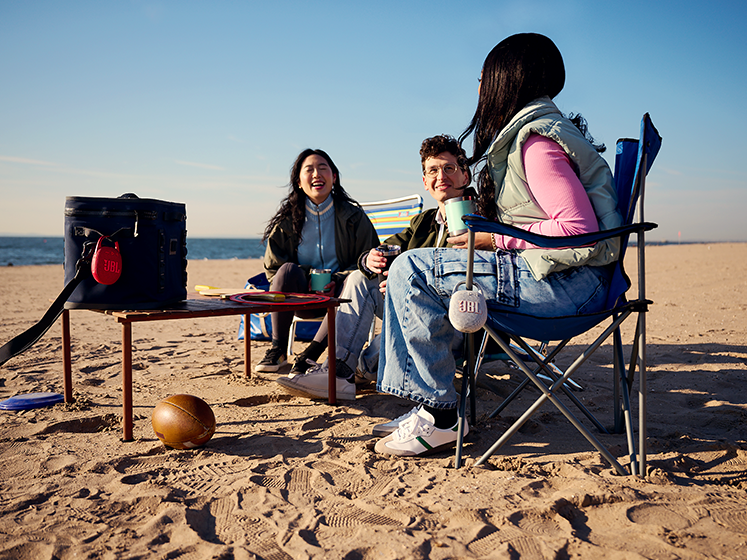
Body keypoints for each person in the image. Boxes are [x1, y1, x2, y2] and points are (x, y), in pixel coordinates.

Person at [373, 33, 622, 457]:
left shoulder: (536, 143)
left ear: (508, 80)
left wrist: (491, 238)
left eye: (484, 79)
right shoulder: (537, 133)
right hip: (571, 279)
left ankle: (440, 415)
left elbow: (578, 230)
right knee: (416, 265)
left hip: (568, 287)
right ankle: (427, 405)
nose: (478, 90)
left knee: (411, 269)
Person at [275, 135, 475, 401]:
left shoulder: (479, 218)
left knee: (380, 352)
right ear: (425, 182)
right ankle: (338, 375)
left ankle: (347, 369)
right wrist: (369, 259)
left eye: (449, 168)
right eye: (433, 170)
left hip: (456, 324)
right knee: (358, 279)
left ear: (464, 175)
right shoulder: (423, 222)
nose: (441, 176)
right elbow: (380, 250)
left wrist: (407, 280)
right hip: (413, 312)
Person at [255, 149, 379, 375]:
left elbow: (370, 262)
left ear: (334, 177)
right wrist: (307, 277)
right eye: (309, 169)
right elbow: (273, 269)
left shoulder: (354, 217)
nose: (316, 174)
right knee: (286, 270)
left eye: (323, 168)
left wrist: (336, 278)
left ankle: (310, 354)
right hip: (299, 297)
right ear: (298, 182)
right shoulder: (287, 221)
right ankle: (278, 351)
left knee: (354, 279)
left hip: (341, 296)